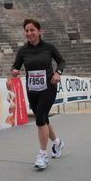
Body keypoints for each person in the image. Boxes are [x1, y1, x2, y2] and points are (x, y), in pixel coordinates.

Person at [11, 18, 65, 169]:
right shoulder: (23, 50)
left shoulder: (49, 47)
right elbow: (15, 67)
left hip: (48, 87)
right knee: (43, 119)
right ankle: (57, 142)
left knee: (39, 119)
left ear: (39, 31)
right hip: (32, 90)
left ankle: (43, 155)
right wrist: (14, 71)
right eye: (27, 31)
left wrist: (58, 73)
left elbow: (61, 61)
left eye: (32, 30)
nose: (29, 33)